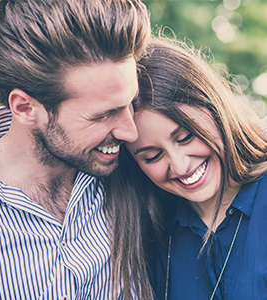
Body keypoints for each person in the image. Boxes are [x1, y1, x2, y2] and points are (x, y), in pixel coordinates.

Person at [0, 0, 152, 299]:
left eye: (131, 102)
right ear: (26, 108)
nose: (130, 132)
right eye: (103, 115)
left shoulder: (140, 168)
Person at [112, 37, 267, 300]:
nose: (181, 165)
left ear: (213, 106)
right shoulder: (150, 236)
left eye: (185, 137)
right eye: (152, 156)